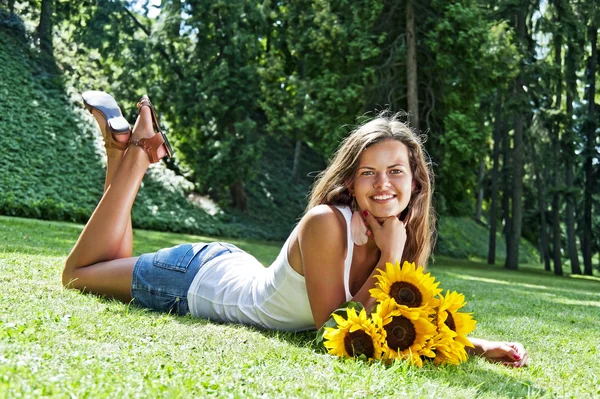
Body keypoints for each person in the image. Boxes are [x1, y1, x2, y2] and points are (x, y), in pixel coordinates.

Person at [63, 92, 528, 367]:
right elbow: (335, 329)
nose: (384, 184)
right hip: (192, 283)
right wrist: (390, 259)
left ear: (416, 180)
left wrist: (476, 345)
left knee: (105, 261)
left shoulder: (403, 233)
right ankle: (139, 156)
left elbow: (399, 321)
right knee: (80, 273)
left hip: (230, 268)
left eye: (396, 172)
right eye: (369, 172)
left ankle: (121, 150)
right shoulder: (327, 223)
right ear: (350, 180)